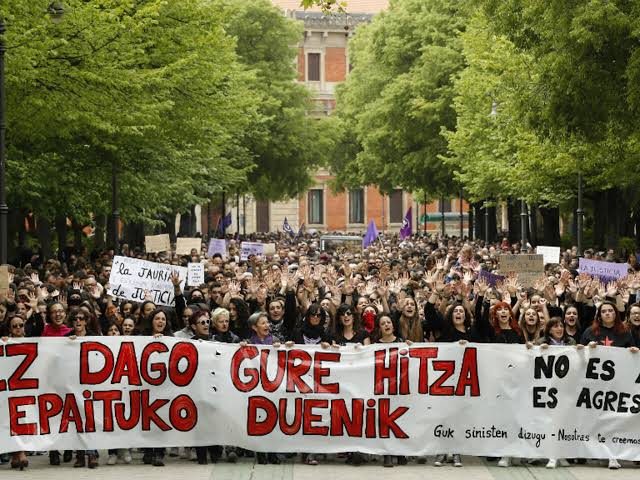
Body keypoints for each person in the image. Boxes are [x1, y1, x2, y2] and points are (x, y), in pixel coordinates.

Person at [2, 316, 30, 470]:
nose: (18, 328)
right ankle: (18, 453)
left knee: (23, 420)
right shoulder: (5, 343)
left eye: (21, 325)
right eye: (14, 326)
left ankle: (19, 453)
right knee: (12, 419)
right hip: (10, 388)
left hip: (28, 388)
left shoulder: (34, 342)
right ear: (10, 329)